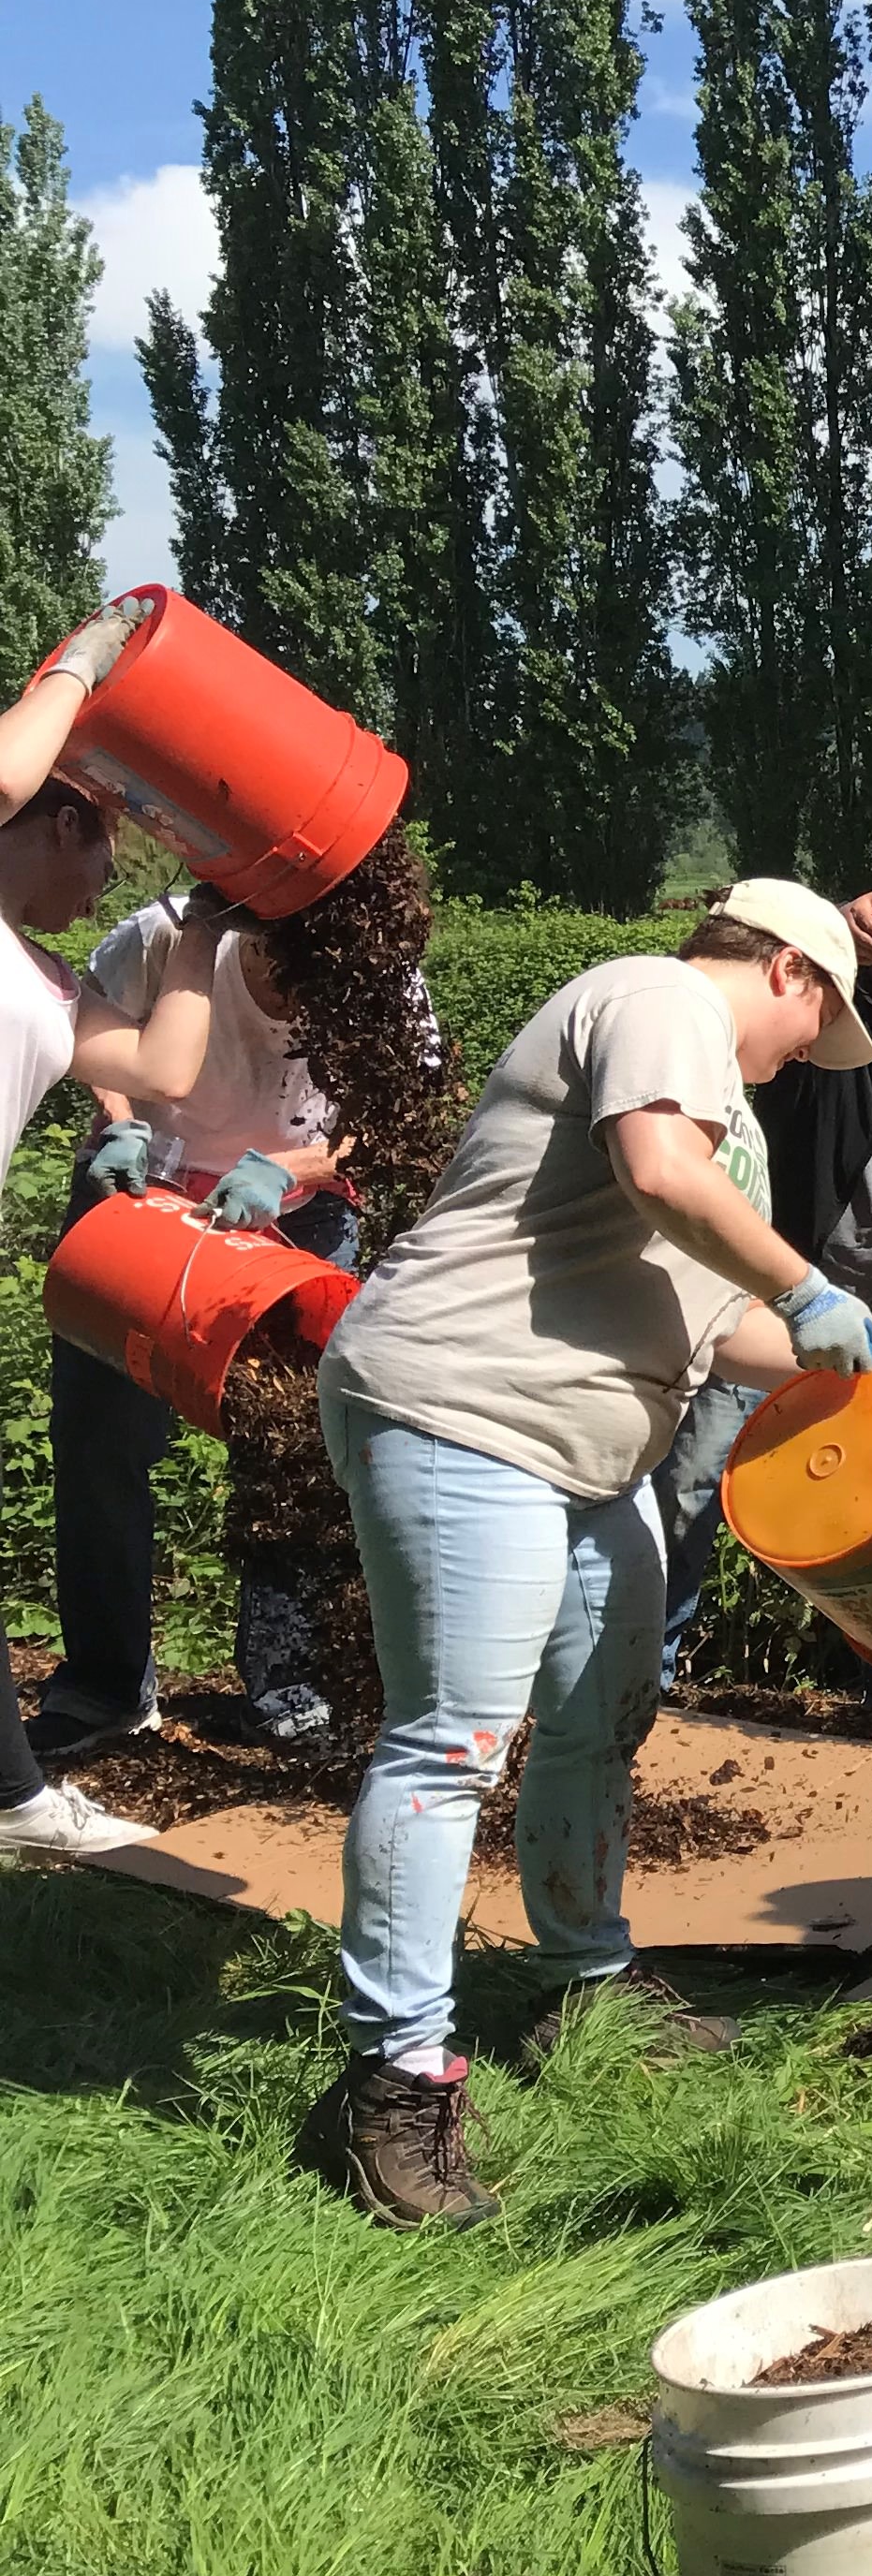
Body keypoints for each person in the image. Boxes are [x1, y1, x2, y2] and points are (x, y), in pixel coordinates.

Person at [292, 880, 872, 2229]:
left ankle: (583, 1980)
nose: (810, 1054)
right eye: (821, 1025)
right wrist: (806, 1287)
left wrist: (833, 1356)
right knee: (451, 1743)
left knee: (598, 1721)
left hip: (586, 1450)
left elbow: (701, 1322)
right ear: (791, 973)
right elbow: (658, 1179)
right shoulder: (660, 996)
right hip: (468, 1409)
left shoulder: (714, 1105)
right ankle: (392, 2080)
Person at [37, 905, 398, 1763]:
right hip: (150, 1197)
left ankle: (288, 1685)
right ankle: (105, 1684)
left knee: (297, 1454)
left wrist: (293, 1167)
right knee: (101, 1440)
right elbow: (96, 1023)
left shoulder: (373, 958)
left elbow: (393, 1106)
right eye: (277, 967)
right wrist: (118, 1118)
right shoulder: (169, 932)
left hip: (294, 1212)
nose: (286, 991)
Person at [0, 602, 233, 1865]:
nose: (111, 883)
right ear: (61, 820)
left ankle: (15, 1804)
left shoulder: (47, 984)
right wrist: (84, 664)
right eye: (102, 846)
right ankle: (19, 1807)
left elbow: (163, 1055)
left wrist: (198, 930)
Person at [653, 900, 872, 1700]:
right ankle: (645, 1671)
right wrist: (839, 927)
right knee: (692, 1484)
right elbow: (741, 950)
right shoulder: (824, 1020)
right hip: (777, 1298)